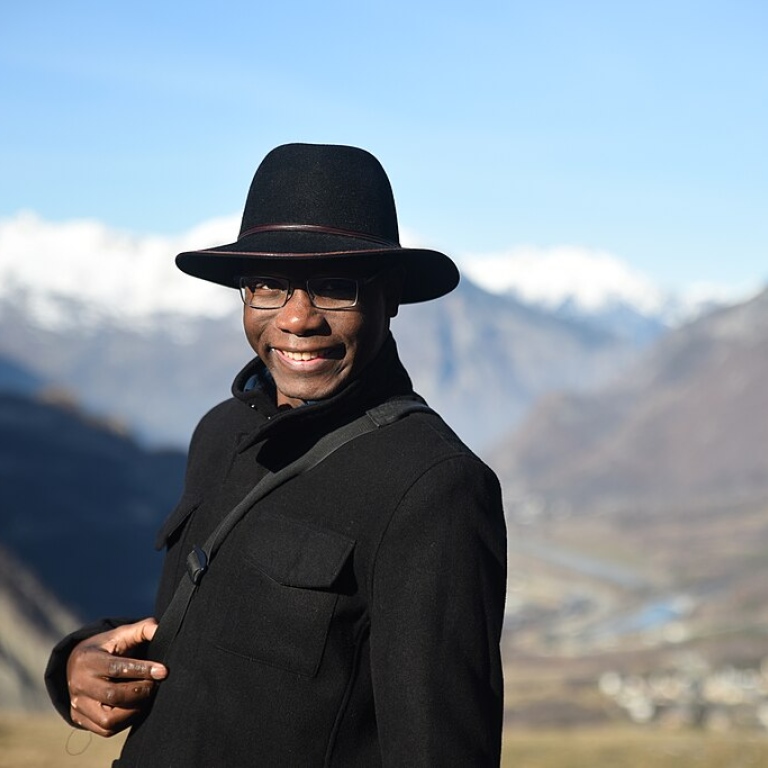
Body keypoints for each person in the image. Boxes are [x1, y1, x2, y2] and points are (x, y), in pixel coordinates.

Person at [45, 143, 507, 766]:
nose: (296, 318)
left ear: (390, 297)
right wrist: (75, 659)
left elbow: (437, 748)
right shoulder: (220, 434)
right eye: (268, 284)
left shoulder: (433, 488)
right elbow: (213, 633)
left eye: (334, 287)